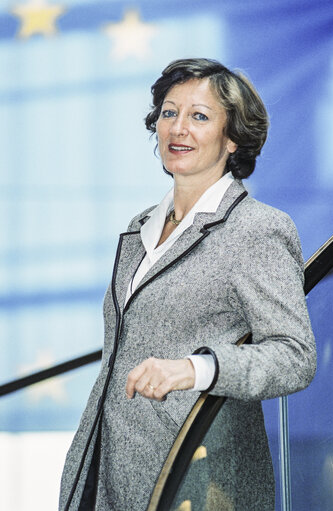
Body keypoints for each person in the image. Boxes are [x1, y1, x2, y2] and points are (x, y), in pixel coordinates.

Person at [59, 58, 316, 511]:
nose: (179, 128)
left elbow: (295, 356)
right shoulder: (140, 227)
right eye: (169, 112)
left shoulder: (257, 229)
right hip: (107, 468)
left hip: (199, 476)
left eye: (199, 116)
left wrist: (196, 369)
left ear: (232, 136)